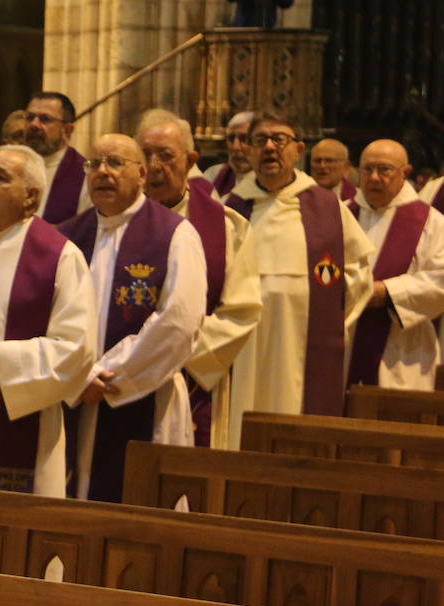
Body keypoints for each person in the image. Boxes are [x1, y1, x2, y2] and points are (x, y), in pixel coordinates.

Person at [58, 134, 206, 502]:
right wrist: (74, 377)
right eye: (94, 164)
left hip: (141, 398)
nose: (102, 172)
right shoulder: (67, 236)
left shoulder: (174, 234)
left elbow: (178, 322)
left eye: (114, 163)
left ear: (141, 174)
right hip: (73, 397)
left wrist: (109, 378)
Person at [0, 146, 94, 495]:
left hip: (24, 435)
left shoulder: (60, 258)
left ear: (31, 196)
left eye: (1, 178)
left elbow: (76, 351)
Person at [224, 114, 373, 439]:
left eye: (280, 140)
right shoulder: (231, 210)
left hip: (304, 340)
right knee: (238, 424)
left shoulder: (328, 207)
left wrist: (331, 321)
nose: (270, 148)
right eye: (260, 140)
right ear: (248, 150)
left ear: (298, 149)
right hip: (245, 343)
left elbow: (358, 275)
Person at [138, 117, 262, 449]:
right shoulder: (109, 224)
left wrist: (166, 353)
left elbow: (240, 312)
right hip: (120, 377)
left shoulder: (228, 228)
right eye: (144, 155)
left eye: (165, 155)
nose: (153, 167)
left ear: (191, 162)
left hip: (189, 379)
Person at [346, 140, 444, 390]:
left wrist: (386, 293)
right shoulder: (341, 214)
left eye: (385, 169)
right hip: (344, 345)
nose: (374, 177)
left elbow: (439, 280)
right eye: (367, 169)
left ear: (406, 173)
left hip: (401, 352)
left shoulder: (432, 223)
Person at [24, 91, 91, 223]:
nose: (34, 125)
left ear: (67, 130)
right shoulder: (7, 165)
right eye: (30, 117)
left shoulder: (84, 174)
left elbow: (84, 231)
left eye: (45, 119)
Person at [204, 111, 254, 197]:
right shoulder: (213, 174)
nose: (236, 147)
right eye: (231, 139)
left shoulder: (269, 181)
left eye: (244, 139)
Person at [310, 138, 358, 204]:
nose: (322, 166)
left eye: (329, 161)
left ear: (345, 166)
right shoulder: (299, 195)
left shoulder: (358, 201)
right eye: (317, 161)